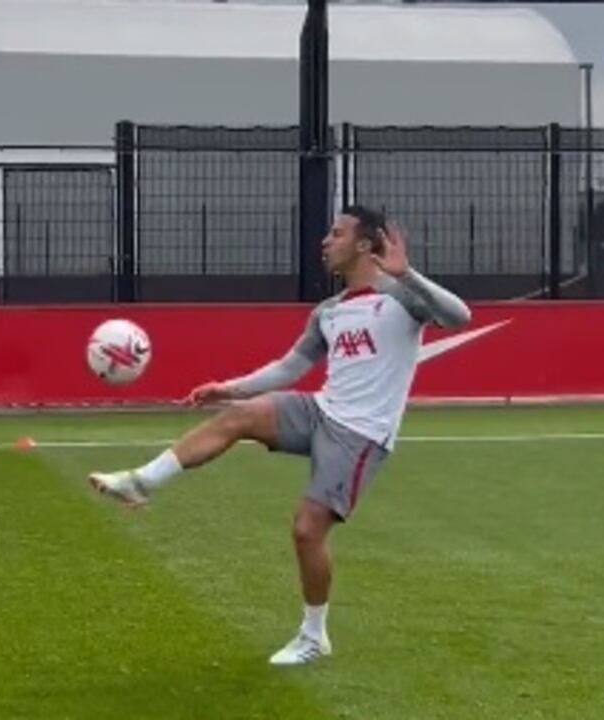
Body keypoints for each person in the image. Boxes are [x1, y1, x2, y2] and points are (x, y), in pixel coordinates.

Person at [88, 206, 471, 666]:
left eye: (337, 233)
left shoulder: (403, 298)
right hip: (321, 410)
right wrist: (229, 389)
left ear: (366, 245)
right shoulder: (328, 312)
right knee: (239, 415)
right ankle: (141, 481)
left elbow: (459, 316)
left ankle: (314, 636)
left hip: (361, 435)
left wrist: (407, 273)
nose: (326, 242)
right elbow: (291, 368)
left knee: (307, 530)